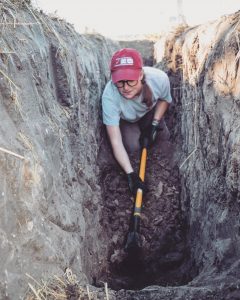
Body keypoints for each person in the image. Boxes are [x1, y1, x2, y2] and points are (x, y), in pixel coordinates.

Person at [101, 48, 172, 195]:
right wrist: (131, 175)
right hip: (127, 120)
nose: (125, 88)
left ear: (140, 75)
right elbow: (116, 141)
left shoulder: (159, 79)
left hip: (150, 112)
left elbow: (165, 100)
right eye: (120, 82)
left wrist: (154, 124)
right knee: (133, 147)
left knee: (163, 140)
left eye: (130, 81)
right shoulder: (110, 96)